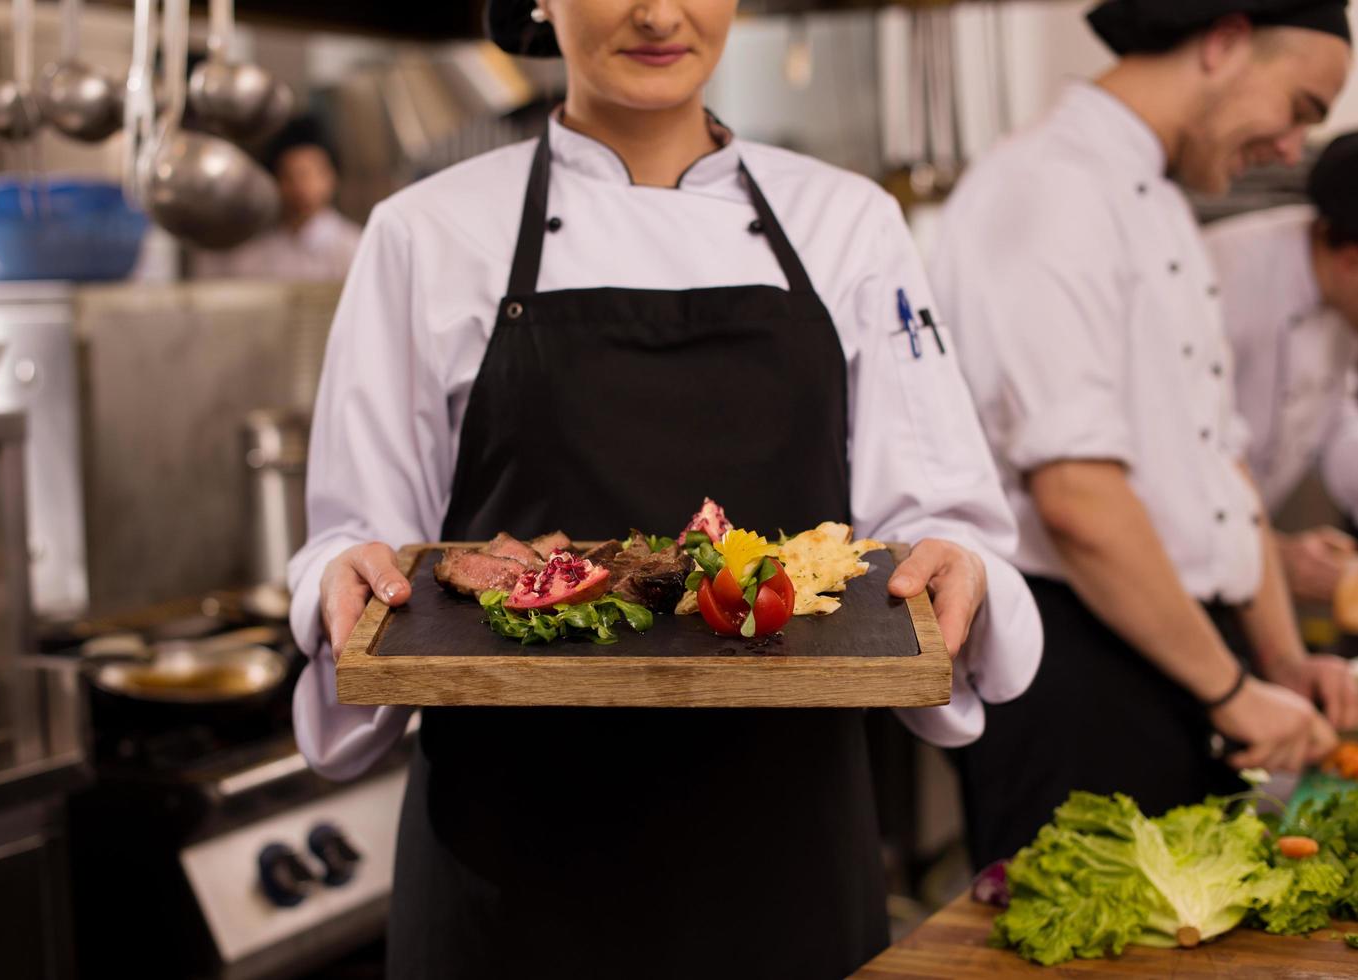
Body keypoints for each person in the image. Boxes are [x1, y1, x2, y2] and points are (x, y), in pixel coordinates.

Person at [289, 1, 1042, 976]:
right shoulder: (424, 232)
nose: (656, 11)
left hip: (782, 841)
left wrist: (953, 561)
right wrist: (341, 577)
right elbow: (357, 532)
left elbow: (937, 512)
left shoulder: (846, 220)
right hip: (510, 847)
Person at [928, 0, 1358, 871]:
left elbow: (1217, 458)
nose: (1290, 149)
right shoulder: (1046, 187)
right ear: (1226, 43)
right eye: (1301, 110)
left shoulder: (1157, 197)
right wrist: (1233, 690)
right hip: (1072, 664)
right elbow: (1077, 498)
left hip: (1174, 651)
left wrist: (1277, 658)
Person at [1204, 132, 1358, 607]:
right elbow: (1169, 465)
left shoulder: (1342, 298)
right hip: (1160, 571)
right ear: (1352, 260)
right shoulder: (1221, 277)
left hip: (1242, 568)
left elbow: (1337, 421)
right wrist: (1275, 557)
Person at [193, 116, 362, 281]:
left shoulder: (354, 248)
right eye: (290, 177)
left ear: (331, 176)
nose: (301, 187)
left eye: (310, 174)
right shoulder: (255, 250)